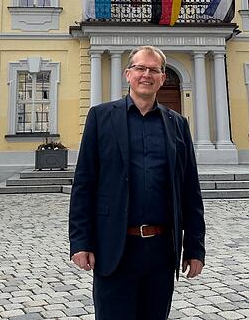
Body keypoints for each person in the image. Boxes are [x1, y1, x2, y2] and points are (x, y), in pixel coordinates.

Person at [69, 45, 206, 319]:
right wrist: (80, 242)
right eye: (140, 68)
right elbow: (84, 183)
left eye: (154, 69)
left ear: (162, 77)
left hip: (161, 250)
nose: (147, 74)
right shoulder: (101, 117)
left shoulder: (177, 123)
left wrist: (195, 248)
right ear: (128, 74)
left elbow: (190, 190)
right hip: (115, 246)